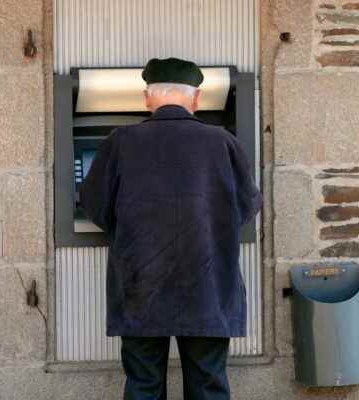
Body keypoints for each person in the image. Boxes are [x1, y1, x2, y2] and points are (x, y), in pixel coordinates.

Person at [79, 58, 262, 400]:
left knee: (143, 384)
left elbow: (94, 204)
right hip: (207, 284)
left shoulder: (121, 142)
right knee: (208, 383)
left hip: (141, 284)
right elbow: (248, 205)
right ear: (197, 98)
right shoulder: (222, 142)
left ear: (148, 97)